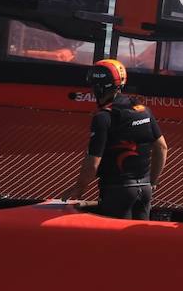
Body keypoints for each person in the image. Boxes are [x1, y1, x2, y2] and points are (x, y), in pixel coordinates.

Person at [62, 59, 167, 220]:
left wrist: (78, 191)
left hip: (117, 192)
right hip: (145, 190)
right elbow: (161, 148)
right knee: (138, 243)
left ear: (99, 87)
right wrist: (151, 182)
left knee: (116, 243)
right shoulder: (143, 110)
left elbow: (92, 165)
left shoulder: (103, 117)